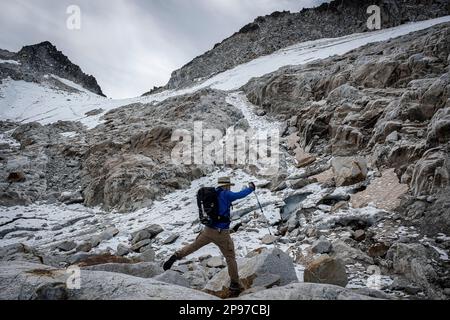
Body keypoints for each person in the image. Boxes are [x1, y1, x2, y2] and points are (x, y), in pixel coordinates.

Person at [163, 177, 256, 296]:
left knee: (194, 246)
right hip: (222, 233)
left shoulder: (213, 194)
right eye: (229, 186)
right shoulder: (226, 194)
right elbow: (240, 194)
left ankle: (175, 256)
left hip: (208, 230)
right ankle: (234, 285)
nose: (230, 187)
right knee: (230, 257)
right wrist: (251, 188)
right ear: (227, 186)